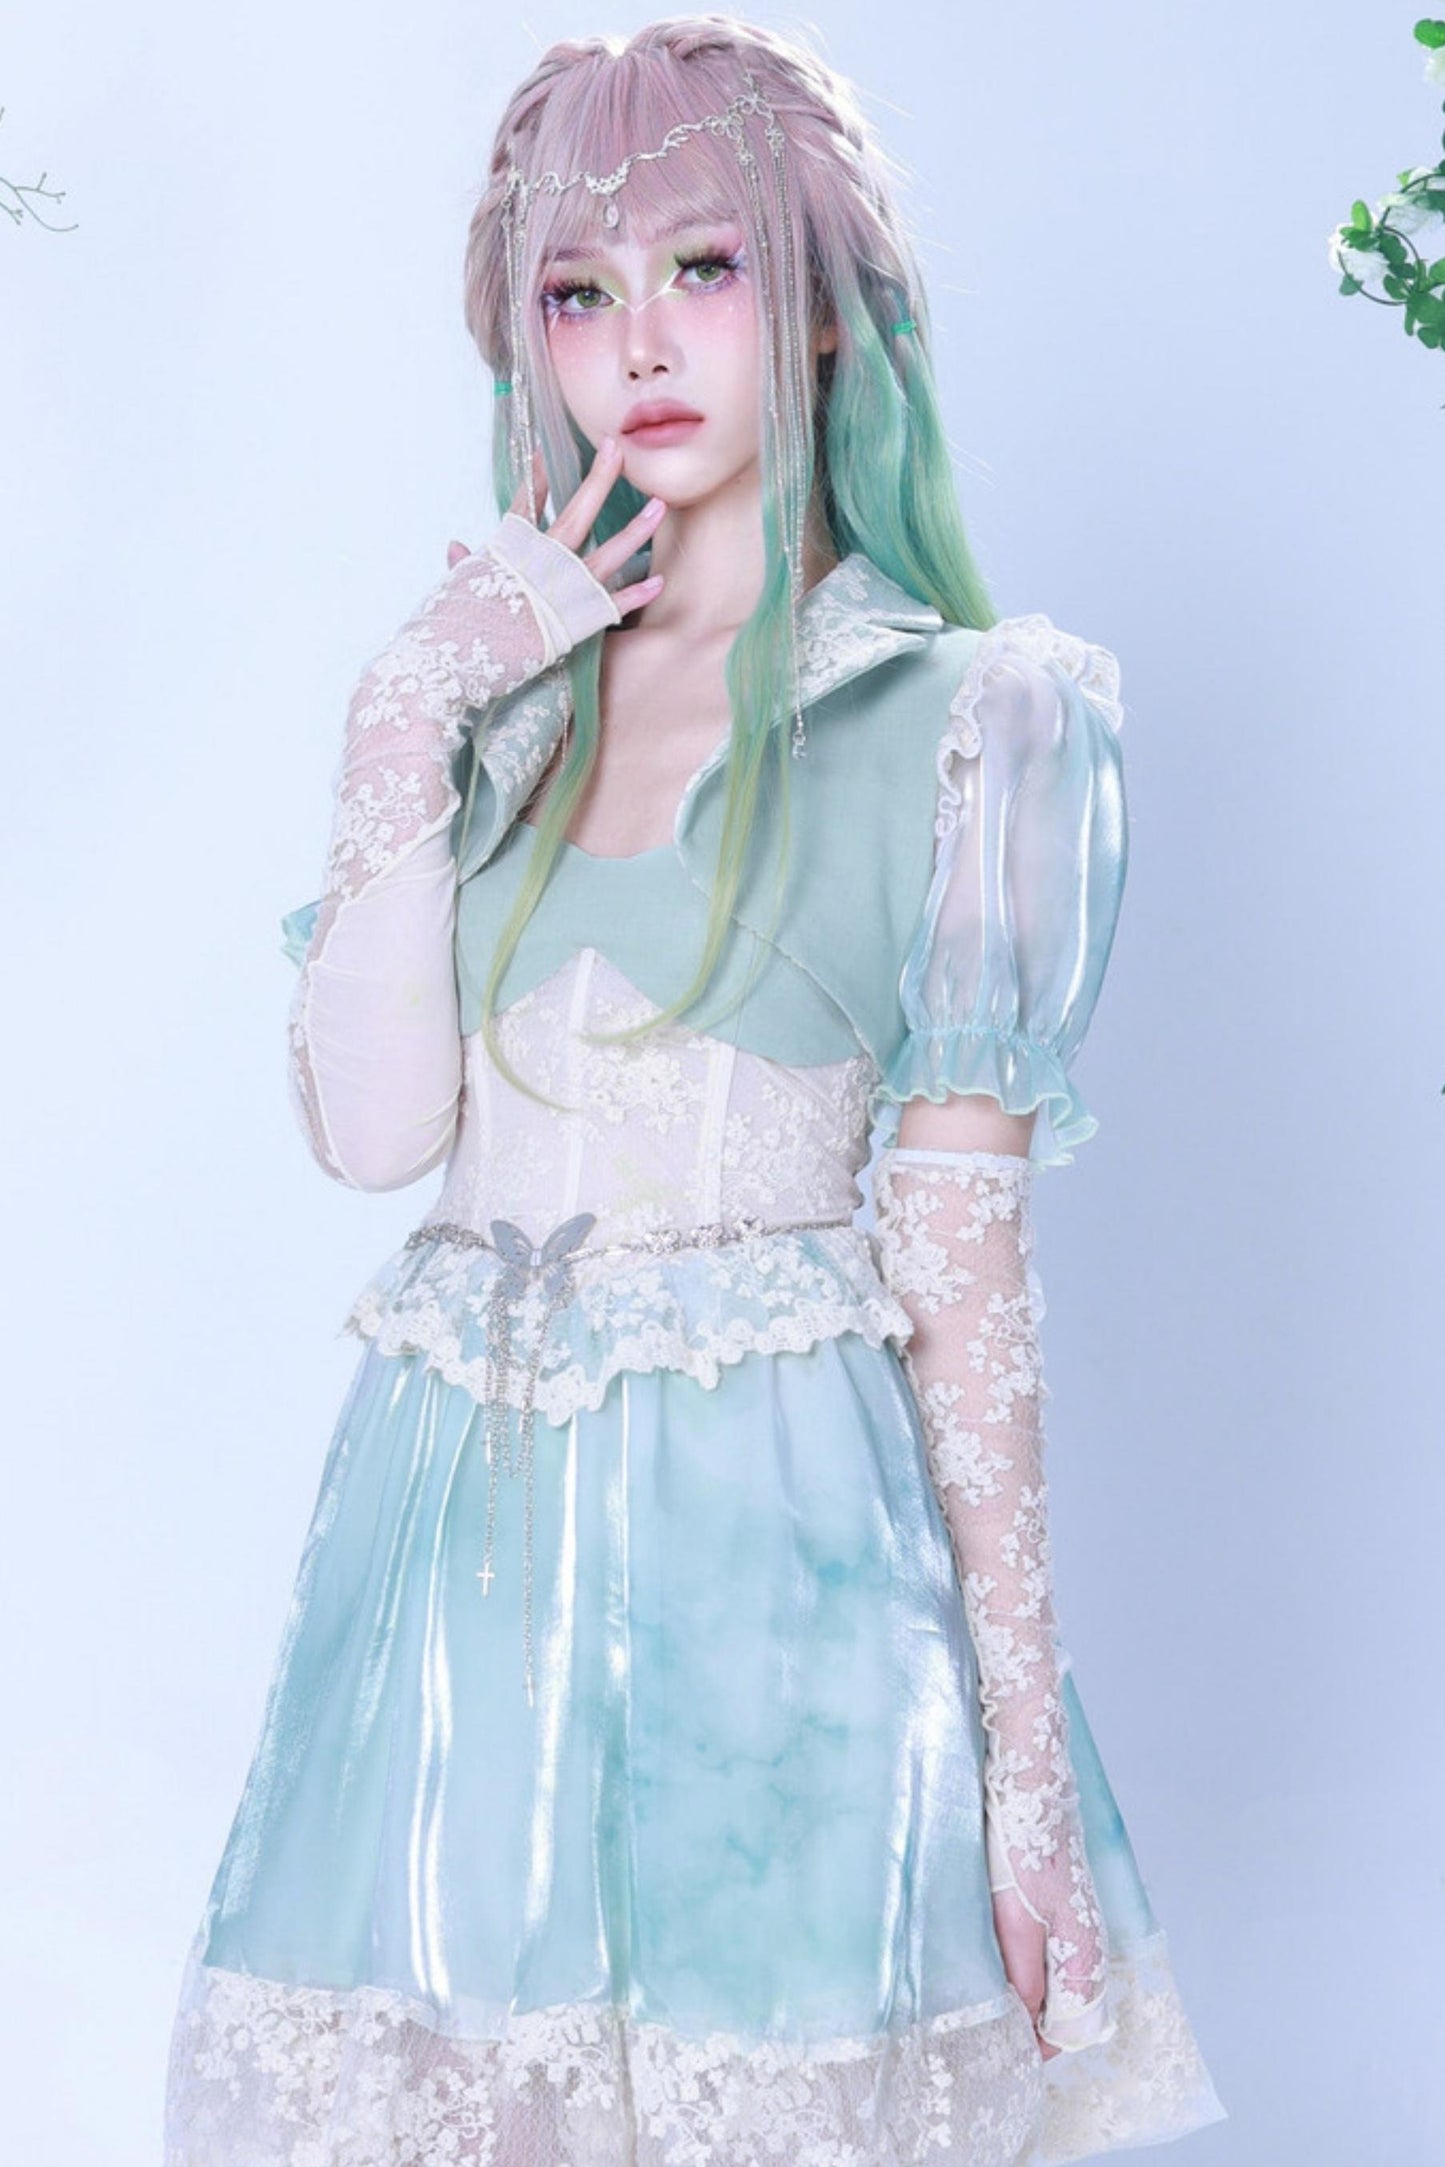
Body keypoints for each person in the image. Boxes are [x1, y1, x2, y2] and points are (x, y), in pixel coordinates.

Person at [163, 15, 1228, 2163]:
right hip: (450, 1564)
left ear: (823, 305)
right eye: (578, 290)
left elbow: (962, 1273)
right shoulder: (501, 713)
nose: (637, 342)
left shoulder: (972, 721)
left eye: (704, 267)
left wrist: (1023, 1769)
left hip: (776, 1563)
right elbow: (375, 1141)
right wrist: (403, 717)